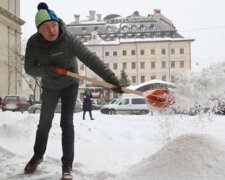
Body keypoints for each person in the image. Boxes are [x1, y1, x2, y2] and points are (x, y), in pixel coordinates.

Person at [24, 2, 123, 180]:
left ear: (58, 24)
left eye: (53, 25)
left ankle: (67, 165)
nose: (52, 30)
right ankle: (38, 155)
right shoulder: (33, 43)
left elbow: (89, 58)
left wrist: (111, 78)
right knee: (44, 124)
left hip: (70, 85)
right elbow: (29, 69)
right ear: (39, 31)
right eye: (46, 27)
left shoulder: (68, 39)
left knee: (67, 124)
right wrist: (48, 70)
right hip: (50, 86)